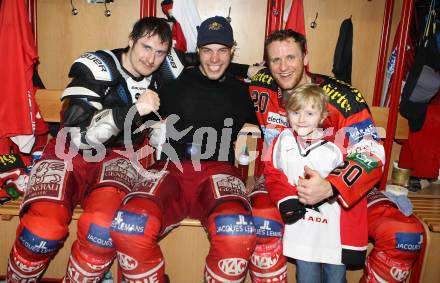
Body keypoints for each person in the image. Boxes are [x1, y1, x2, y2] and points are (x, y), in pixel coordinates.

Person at [248, 29, 424, 283]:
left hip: (340, 188)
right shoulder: (262, 82)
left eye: (291, 58)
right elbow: (227, 65)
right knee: (263, 221)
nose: (283, 67)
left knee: (404, 235)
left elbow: (371, 153)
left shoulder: (343, 98)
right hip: (282, 182)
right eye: (275, 60)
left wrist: (331, 186)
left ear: (306, 57)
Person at [7, 17, 171, 283]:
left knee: (102, 229)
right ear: (131, 40)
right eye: (146, 47)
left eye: (160, 52)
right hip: (69, 151)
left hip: (120, 157)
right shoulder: (98, 66)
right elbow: (77, 136)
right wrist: (130, 112)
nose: (151, 58)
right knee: (42, 229)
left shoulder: (162, 78)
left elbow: (206, 63)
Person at [110, 16, 258, 283]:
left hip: (218, 172)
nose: (214, 58)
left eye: (222, 51)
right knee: (129, 225)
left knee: (236, 231)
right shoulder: (171, 84)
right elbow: (130, 104)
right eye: (207, 50)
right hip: (171, 172)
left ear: (231, 52)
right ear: (197, 52)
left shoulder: (244, 93)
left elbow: (290, 108)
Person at [264, 83, 359, 283]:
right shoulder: (282, 141)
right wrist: (287, 199)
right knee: (307, 277)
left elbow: (350, 185)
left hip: (332, 230)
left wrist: (354, 237)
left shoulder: (336, 147)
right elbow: (272, 173)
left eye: (309, 113)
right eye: (295, 112)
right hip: (300, 227)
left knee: (336, 277)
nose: (301, 119)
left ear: (323, 116)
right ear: (287, 114)